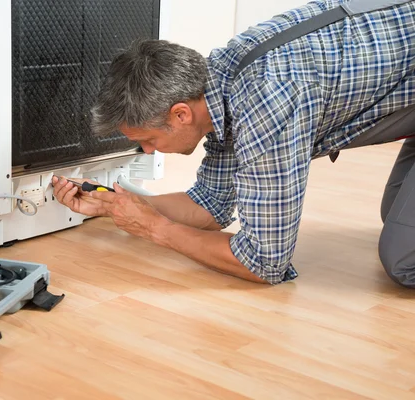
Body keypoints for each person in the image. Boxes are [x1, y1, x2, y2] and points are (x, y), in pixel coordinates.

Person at [51, 0, 415, 286]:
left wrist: (155, 229)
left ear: (180, 115)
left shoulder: (267, 102)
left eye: (147, 140)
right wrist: (117, 206)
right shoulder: (218, 82)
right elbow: (209, 206)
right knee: (395, 219)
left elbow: (264, 262)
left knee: (403, 261)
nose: (147, 151)